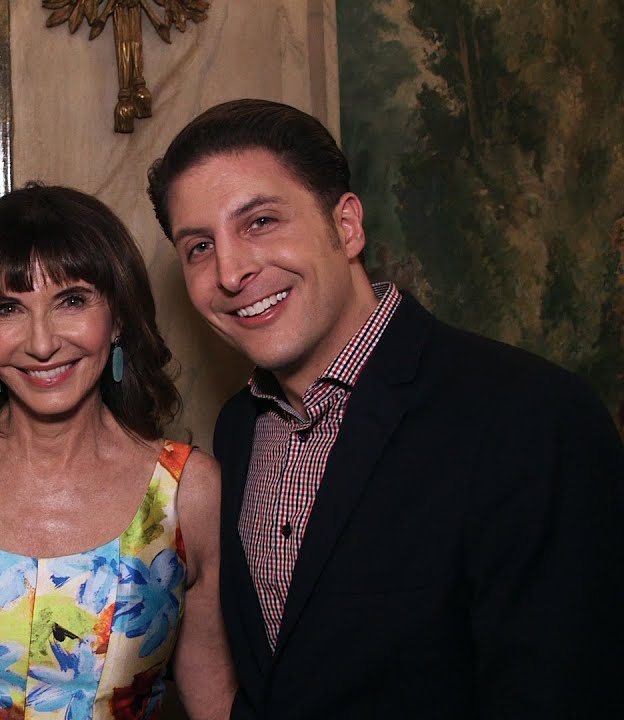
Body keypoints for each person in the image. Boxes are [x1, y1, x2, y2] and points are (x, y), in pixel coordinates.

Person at [147, 98, 624, 718]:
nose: (231, 271)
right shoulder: (239, 429)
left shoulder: (532, 418)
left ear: (346, 226)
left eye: (260, 221)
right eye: (198, 247)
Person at [0, 185, 235, 719]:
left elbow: (215, 702)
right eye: (8, 308)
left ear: (118, 318)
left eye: (72, 301)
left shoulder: (188, 492)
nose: (42, 343)